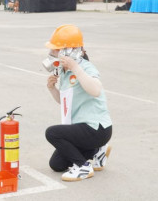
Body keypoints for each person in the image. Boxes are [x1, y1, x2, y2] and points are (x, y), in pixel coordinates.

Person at [43, 24, 112, 182]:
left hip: (97, 128)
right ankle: (97, 151)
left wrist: (75, 67)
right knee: (56, 164)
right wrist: (52, 88)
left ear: (68, 51)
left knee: (52, 133)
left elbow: (95, 90)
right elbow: (65, 102)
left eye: (55, 50)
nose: (52, 53)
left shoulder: (85, 67)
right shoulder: (65, 71)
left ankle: (83, 167)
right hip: (82, 129)